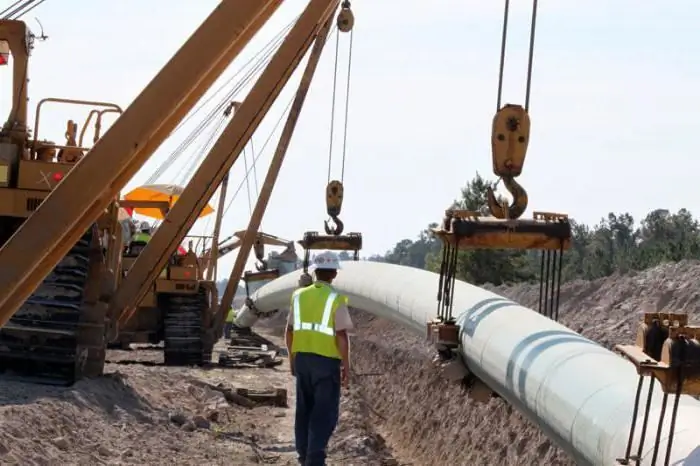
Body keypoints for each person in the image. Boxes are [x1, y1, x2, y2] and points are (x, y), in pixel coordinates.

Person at [285, 251, 353, 466]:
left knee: (304, 408)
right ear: (333, 273)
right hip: (326, 363)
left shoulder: (298, 296)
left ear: (315, 272)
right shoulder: (335, 298)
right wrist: (346, 365)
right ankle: (315, 459)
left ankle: (304, 455)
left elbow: (289, 331)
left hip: (303, 360)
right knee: (324, 412)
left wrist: (291, 359)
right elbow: (341, 335)